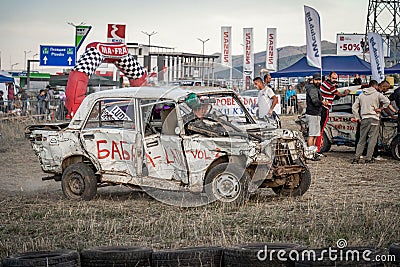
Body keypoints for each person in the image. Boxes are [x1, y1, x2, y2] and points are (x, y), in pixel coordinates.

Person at [352, 80, 391, 164]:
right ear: (376, 86)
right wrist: (380, 109)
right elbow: (387, 102)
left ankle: (356, 158)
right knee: (372, 140)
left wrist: (358, 118)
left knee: (361, 139)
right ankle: (368, 158)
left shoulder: (361, 95)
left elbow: (354, 107)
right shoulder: (378, 94)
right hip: (374, 119)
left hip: (364, 118)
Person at [316, 72, 350, 153]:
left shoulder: (325, 83)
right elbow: (339, 94)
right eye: (333, 78)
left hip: (322, 108)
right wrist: (345, 93)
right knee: (321, 129)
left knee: (320, 129)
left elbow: (334, 96)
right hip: (324, 108)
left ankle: (317, 147)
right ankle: (318, 148)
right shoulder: (330, 86)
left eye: (336, 78)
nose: (335, 80)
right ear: (329, 77)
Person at [305, 73, 327, 161]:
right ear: (313, 80)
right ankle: (310, 154)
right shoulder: (312, 89)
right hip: (313, 114)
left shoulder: (315, 88)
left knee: (314, 135)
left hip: (316, 113)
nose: (318, 81)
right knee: (312, 135)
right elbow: (315, 101)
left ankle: (313, 152)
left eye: (319, 80)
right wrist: (322, 103)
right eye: (316, 80)